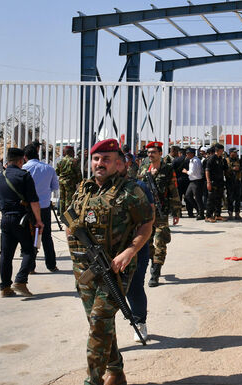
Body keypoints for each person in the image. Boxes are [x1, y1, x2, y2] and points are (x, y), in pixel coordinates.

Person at [66, 139, 153, 385]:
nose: (100, 164)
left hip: (115, 271)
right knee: (100, 326)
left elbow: (147, 222)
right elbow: (70, 217)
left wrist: (130, 251)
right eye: (96, 159)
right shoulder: (83, 188)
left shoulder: (130, 191)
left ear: (118, 163)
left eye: (106, 159)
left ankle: (93, 381)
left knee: (98, 323)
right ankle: (116, 371)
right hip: (84, 270)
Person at [0, 147, 44, 297]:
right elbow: (34, 201)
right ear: (21, 160)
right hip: (22, 219)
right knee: (30, 250)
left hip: (5, 219)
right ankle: (20, 281)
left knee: (6, 255)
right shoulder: (24, 176)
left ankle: (5, 288)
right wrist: (39, 220)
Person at [118, 150, 155, 343]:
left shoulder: (138, 187)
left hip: (135, 248)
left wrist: (134, 247)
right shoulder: (95, 189)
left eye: (119, 162)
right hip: (106, 251)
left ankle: (140, 322)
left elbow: (150, 218)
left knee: (134, 287)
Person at [137, 141, 181, 287]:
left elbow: (173, 189)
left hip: (161, 211)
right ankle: (153, 262)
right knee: (147, 243)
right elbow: (137, 187)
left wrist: (176, 211)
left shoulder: (168, 169)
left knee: (160, 241)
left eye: (153, 152)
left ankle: (155, 273)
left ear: (160, 153)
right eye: (149, 152)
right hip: (145, 212)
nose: (150, 155)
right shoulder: (144, 168)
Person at [22, 143, 61, 272]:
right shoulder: (49, 169)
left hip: (28, 208)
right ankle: (51, 265)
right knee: (47, 236)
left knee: (30, 237)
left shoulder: (23, 169)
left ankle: (30, 267)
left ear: (25, 156)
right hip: (44, 207)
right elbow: (55, 187)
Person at [204, 143, 227, 222]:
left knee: (218, 199)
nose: (223, 151)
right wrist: (208, 182)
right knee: (211, 199)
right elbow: (207, 170)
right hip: (213, 182)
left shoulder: (220, 158)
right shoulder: (212, 158)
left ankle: (217, 215)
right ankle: (208, 216)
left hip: (219, 182)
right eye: (222, 150)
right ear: (219, 150)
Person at [56, 146, 82, 215]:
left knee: (62, 198)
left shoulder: (60, 161)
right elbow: (78, 173)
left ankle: (62, 214)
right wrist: (80, 181)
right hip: (70, 183)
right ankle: (68, 215)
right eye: (73, 152)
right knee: (69, 199)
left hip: (61, 182)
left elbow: (57, 172)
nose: (74, 153)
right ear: (70, 152)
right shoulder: (74, 161)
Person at [184, 147, 206, 220]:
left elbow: (192, 172)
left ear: (192, 154)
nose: (186, 155)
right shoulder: (192, 160)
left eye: (188, 153)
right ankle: (198, 210)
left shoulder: (195, 161)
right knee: (188, 195)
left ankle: (201, 214)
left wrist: (185, 171)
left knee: (198, 198)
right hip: (193, 181)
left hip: (196, 181)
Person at [172, 146, 189, 220]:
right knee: (187, 196)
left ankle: (179, 213)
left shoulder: (176, 160)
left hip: (178, 180)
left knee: (178, 197)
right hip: (187, 180)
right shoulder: (188, 160)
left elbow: (172, 170)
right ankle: (190, 212)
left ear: (179, 153)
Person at [226, 147, 242, 220]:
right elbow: (224, 169)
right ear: (230, 153)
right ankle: (230, 213)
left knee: (238, 198)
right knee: (230, 198)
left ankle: (237, 213)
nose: (236, 154)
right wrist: (232, 169)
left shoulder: (239, 160)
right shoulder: (226, 160)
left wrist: (239, 169)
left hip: (237, 181)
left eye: (236, 152)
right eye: (234, 152)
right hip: (229, 181)